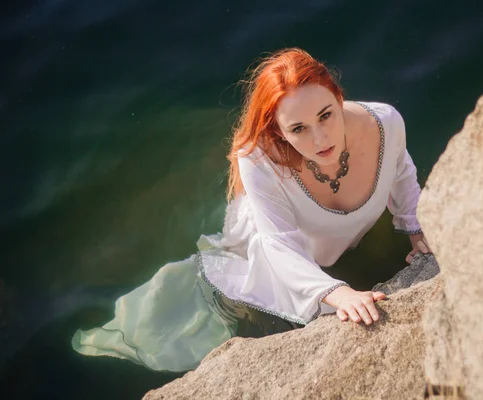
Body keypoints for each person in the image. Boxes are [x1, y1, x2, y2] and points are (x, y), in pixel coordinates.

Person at [71, 48, 430, 372]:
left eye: (325, 115)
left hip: (341, 240)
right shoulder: (259, 161)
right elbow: (279, 247)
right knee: (226, 313)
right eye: (298, 129)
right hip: (273, 247)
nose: (320, 139)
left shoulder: (384, 123)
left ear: (339, 98)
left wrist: (414, 225)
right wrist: (340, 293)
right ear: (279, 131)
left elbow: (399, 169)